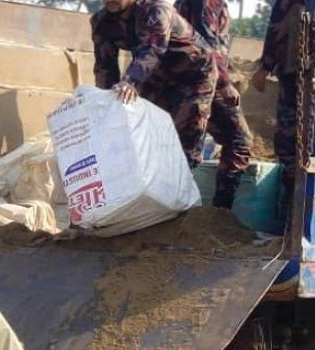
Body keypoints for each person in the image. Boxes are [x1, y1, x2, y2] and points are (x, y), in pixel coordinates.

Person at [91, 0, 219, 171]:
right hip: (155, 77)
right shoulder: (101, 22)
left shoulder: (156, 10)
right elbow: (105, 67)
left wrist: (130, 82)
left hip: (194, 75)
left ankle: (182, 189)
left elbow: (152, 49)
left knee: (185, 142)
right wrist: (106, 105)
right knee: (144, 135)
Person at [174, 0, 255, 209]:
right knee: (239, 140)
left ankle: (178, 208)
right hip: (200, 80)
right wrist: (226, 84)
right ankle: (218, 212)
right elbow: (207, 45)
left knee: (184, 146)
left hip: (181, 81)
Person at [251, 0, 306, 226]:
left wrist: (265, 67)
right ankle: (289, 221)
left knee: (291, 147)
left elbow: (277, 26)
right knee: (291, 149)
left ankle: (289, 221)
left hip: (300, 76)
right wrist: (265, 66)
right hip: (297, 74)